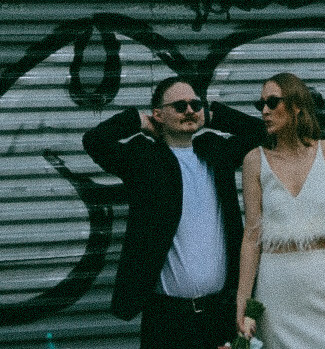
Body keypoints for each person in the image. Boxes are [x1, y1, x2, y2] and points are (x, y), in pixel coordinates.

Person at [83, 74, 265, 349]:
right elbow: (95, 140)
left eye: (195, 104)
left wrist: (214, 115)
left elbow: (262, 133)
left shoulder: (215, 151)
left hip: (219, 311)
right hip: (167, 317)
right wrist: (139, 121)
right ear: (159, 114)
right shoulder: (144, 158)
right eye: (180, 106)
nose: (190, 110)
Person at [235, 72, 325, 348]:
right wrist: (242, 302)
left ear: (296, 105)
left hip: (321, 282)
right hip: (276, 289)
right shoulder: (254, 161)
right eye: (261, 104)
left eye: (273, 102)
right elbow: (252, 238)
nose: (264, 110)